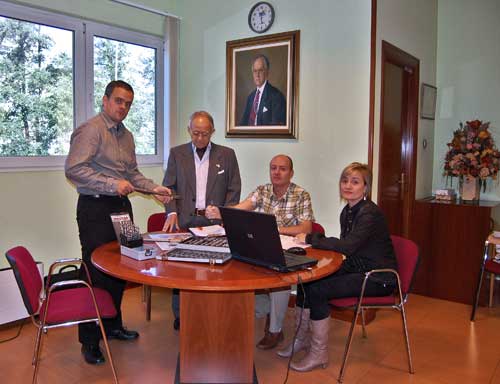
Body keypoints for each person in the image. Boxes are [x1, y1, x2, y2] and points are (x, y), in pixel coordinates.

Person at [65, 80, 172, 365]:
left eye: (128, 103)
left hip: (121, 208)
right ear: (105, 100)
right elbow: (74, 169)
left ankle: (112, 325)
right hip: (95, 207)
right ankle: (89, 340)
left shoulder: (127, 136)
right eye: (119, 101)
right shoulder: (91, 130)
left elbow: (133, 175)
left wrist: (154, 189)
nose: (123, 107)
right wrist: (114, 184)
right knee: (95, 271)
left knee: (121, 267)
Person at [279, 162, 397, 372]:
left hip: (378, 277)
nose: (348, 186)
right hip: (357, 267)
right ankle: (301, 339)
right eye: (344, 181)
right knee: (307, 280)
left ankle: (318, 354)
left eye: (355, 182)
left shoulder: (369, 213)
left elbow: (348, 246)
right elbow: (348, 250)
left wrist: (311, 238)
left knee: (319, 290)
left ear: (366, 187)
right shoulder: (348, 211)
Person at [206, 154, 314, 350]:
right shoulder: (262, 191)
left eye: (282, 168)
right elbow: (240, 210)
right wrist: (221, 213)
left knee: (281, 278)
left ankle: (275, 330)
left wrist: (275, 229)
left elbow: (306, 228)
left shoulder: (301, 194)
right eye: (273, 168)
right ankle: (238, 312)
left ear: (291, 173)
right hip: (263, 244)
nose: (277, 172)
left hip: (288, 247)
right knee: (234, 262)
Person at [162, 110, 241, 330]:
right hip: (186, 220)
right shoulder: (177, 154)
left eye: (204, 134)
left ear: (212, 132)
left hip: (214, 223)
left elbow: (234, 188)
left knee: (215, 269)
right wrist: (171, 212)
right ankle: (180, 315)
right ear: (189, 131)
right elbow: (169, 186)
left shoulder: (227, 154)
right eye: (195, 133)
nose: (199, 138)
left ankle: (212, 311)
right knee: (182, 270)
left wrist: (225, 214)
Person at [239, 54, 286, 126]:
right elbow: (242, 124)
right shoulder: (250, 97)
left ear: (266, 72)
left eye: (260, 70)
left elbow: (276, 127)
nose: (257, 75)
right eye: (255, 71)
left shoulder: (276, 96)